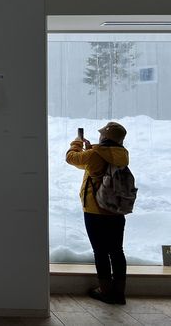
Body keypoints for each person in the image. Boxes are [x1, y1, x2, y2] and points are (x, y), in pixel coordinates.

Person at [66, 122, 129, 305]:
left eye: (102, 134)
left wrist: (76, 143)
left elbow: (71, 158)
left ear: (106, 137)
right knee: (117, 251)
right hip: (116, 211)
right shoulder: (122, 155)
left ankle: (105, 290)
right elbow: (89, 165)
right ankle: (119, 293)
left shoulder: (95, 154)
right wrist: (91, 150)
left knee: (100, 251)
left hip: (95, 210)